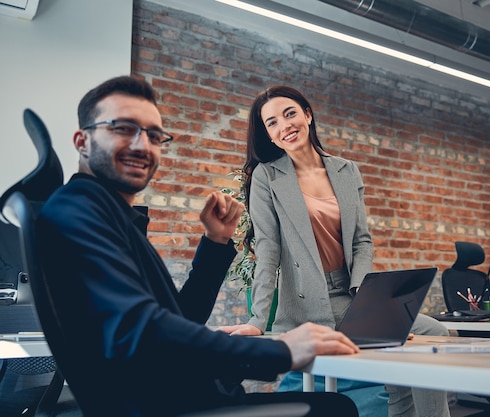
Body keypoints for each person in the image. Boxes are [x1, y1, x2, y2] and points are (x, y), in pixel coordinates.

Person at [34, 75, 361, 417]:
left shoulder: (108, 215)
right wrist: (280, 351)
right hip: (161, 407)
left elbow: (178, 318)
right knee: (333, 409)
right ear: (82, 141)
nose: (142, 145)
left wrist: (216, 241)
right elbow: (143, 330)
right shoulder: (78, 210)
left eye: (154, 135)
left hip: (178, 398)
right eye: (123, 128)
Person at [219, 85, 451, 417]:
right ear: (268, 136)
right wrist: (258, 320)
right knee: (404, 346)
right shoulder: (267, 177)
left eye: (290, 114)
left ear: (307, 115)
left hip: (352, 296)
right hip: (306, 305)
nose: (284, 126)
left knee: (433, 334)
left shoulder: (346, 170)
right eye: (271, 123)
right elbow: (268, 249)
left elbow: (361, 241)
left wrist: (364, 295)